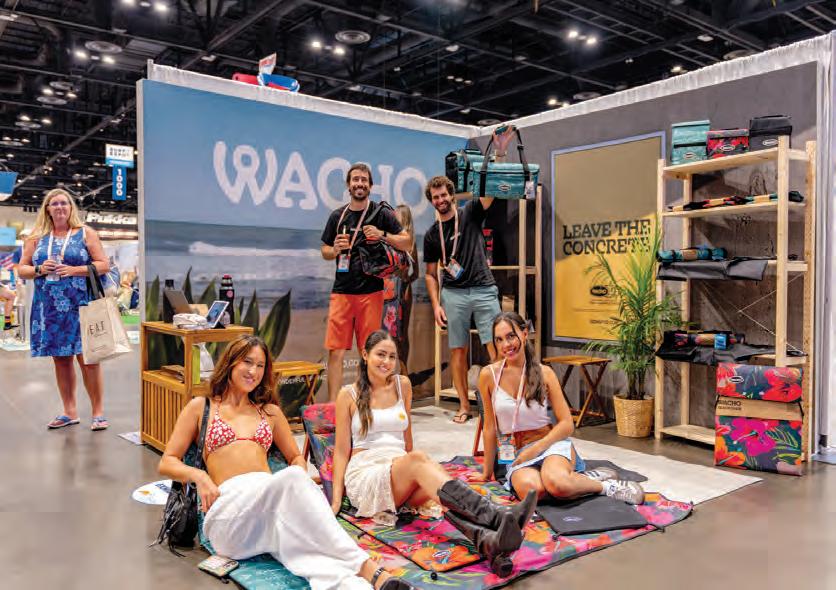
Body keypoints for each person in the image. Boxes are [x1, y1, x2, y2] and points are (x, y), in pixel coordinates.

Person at [159, 335, 415, 590]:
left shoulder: (269, 412)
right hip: (228, 516)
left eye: (260, 366)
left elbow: (295, 458)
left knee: (307, 550)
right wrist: (200, 476)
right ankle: (369, 568)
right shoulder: (201, 407)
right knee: (293, 482)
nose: (253, 371)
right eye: (247, 362)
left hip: (267, 508)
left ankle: (358, 585)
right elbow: (167, 462)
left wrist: (299, 475)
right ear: (230, 362)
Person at [331, 330, 537, 575]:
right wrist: (336, 500)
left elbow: (406, 441)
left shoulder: (402, 385)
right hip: (367, 474)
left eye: (392, 357)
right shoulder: (348, 395)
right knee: (421, 461)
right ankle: (498, 516)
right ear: (365, 355)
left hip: (398, 470)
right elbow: (341, 452)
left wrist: (419, 471)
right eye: (380, 355)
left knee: (439, 489)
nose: (386, 362)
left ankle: (489, 542)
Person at [477, 312, 645, 505]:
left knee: (557, 484)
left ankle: (606, 487)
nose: (505, 345)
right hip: (516, 453)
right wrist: (486, 473)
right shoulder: (488, 375)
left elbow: (566, 424)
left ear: (524, 334)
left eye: (510, 336)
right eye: (499, 339)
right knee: (534, 492)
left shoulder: (545, 373)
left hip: (548, 444)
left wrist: (536, 449)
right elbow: (489, 427)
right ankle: (581, 480)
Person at [17, 188, 110, 430]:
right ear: (47, 209)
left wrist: (74, 270)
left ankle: (98, 412)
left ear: (71, 208)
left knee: (88, 360)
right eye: (54, 203)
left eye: (64, 203)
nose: (59, 207)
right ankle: (70, 411)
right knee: (61, 360)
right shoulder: (36, 238)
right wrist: (39, 269)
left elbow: (103, 265)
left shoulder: (85, 233)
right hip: (49, 309)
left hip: (81, 306)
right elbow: (22, 269)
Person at [321, 163, 411, 401]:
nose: (359, 183)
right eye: (355, 179)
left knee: (370, 352)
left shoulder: (381, 214)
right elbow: (324, 250)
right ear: (348, 185)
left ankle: (368, 404)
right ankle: (335, 407)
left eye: (363, 180)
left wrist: (383, 235)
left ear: (370, 185)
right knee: (336, 352)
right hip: (341, 292)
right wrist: (334, 249)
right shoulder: (337, 216)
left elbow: (407, 242)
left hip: (371, 292)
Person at [423, 174, 499, 424]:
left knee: (495, 346)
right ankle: (464, 406)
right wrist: (436, 305)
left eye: (444, 195)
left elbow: (489, 194)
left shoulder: (470, 213)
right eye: (436, 197)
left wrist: (496, 159)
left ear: (452, 196)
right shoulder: (432, 235)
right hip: (453, 294)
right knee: (458, 349)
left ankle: (499, 405)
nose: (441, 200)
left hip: (483, 288)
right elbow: (430, 274)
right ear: (431, 201)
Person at [381, 204, 419, 373]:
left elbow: (415, 273)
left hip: (399, 290)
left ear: (403, 218)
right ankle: (396, 372)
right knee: (390, 334)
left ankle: (403, 372)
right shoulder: (393, 239)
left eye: (396, 215)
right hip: (390, 290)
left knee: (400, 334)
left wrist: (403, 282)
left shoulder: (407, 241)